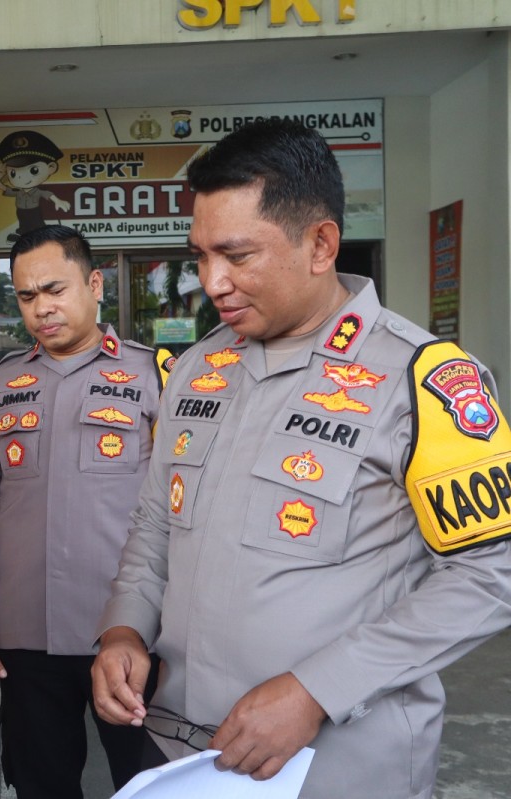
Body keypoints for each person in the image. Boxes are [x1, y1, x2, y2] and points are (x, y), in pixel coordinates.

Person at [92, 118, 511, 799]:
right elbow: (154, 524)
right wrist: (123, 629)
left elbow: (491, 572)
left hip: (340, 769)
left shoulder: (424, 379)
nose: (211, 281)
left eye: (236, 255)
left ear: (320, 244)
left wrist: (318, 689)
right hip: (178, 756)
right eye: (199, 255)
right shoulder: (197, 368)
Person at [0, 224, 173, 798]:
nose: (41, 308)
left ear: (95, 284)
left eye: (54, 289)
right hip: (26, 636)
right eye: (26, 296)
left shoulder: (157, 379)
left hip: (132, 633)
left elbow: (182, 507)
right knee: (42, 786)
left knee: (149, 784)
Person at [0, 130, 73, 241]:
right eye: (13, 173)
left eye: (33, 170)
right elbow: (5, 188)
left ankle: (40, 236)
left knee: (36, 224)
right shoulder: (17, 191)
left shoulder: (37, 192)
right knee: (23, 223)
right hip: (21, 212)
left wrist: (58, 201)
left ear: (51, 167)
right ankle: (22, 235)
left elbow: (47, 194)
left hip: (33, 211)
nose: (21, 178)